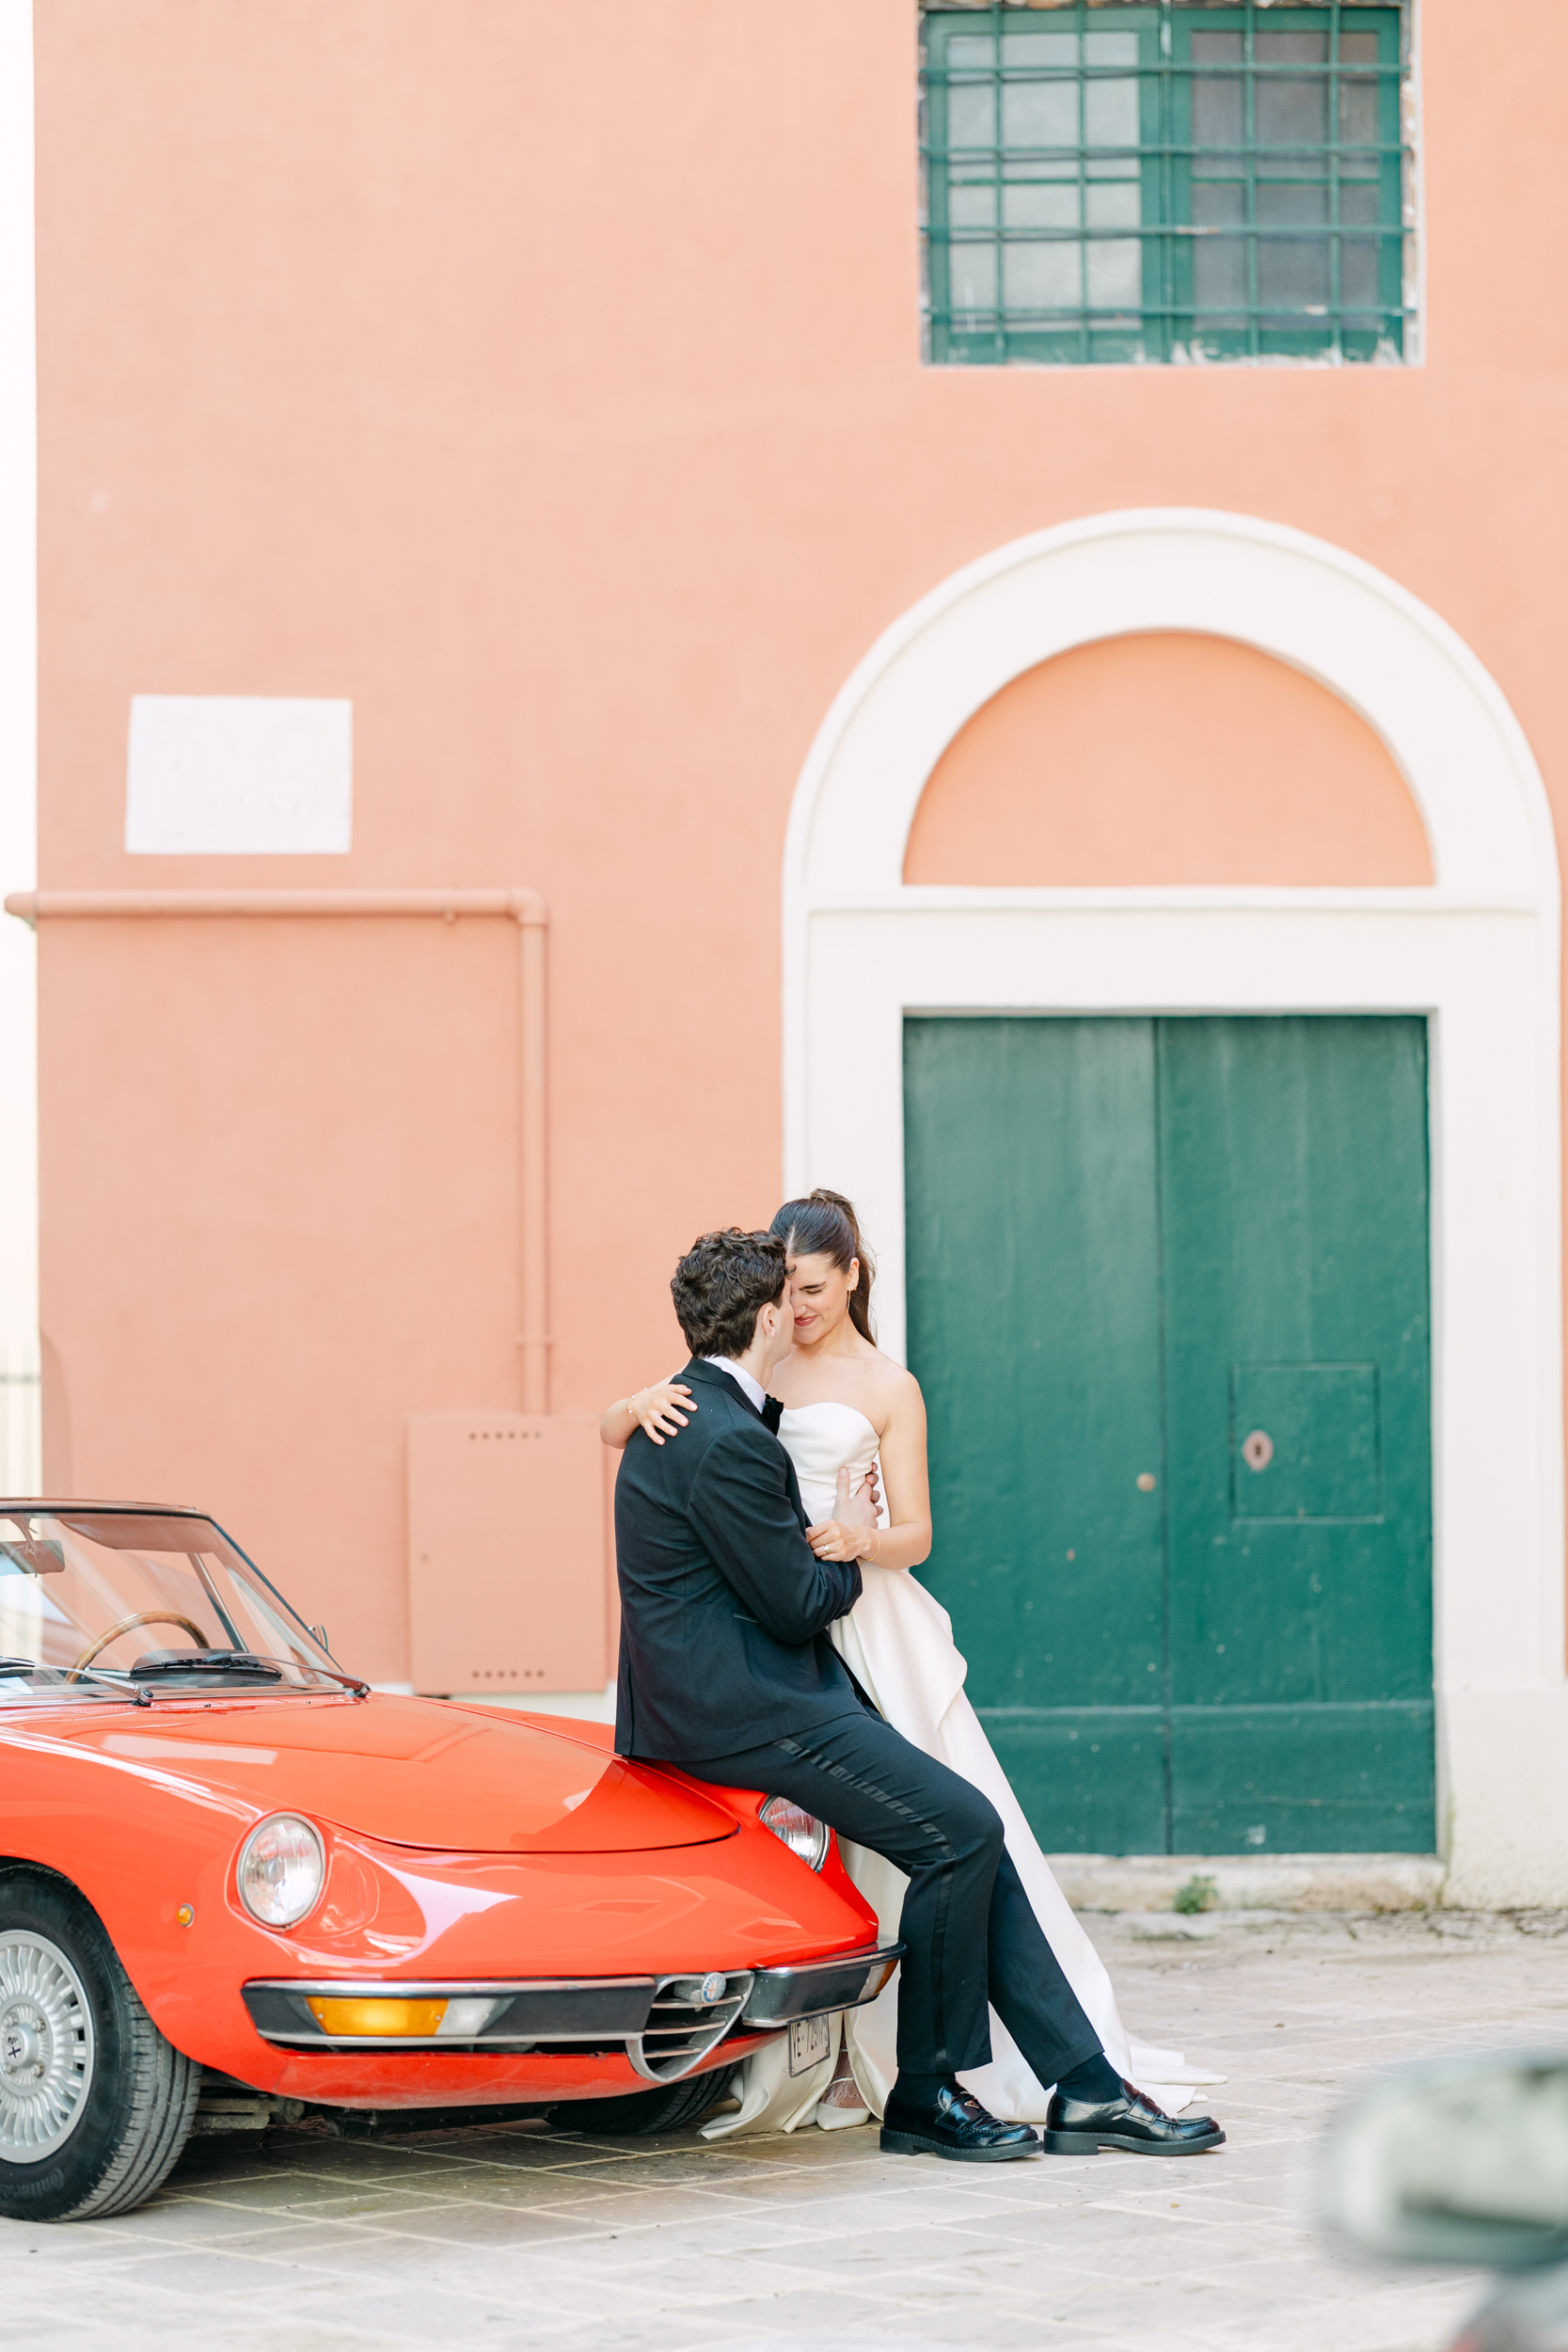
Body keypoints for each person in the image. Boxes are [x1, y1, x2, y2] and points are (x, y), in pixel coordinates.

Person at [608, 1221, 1223, 2162]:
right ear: (767, 1315)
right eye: (790, 1298)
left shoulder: (685, 1409)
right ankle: (927, 2093)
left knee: (971, 1835)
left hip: (752, 1696)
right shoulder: (723, 1435)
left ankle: (1086, 2086)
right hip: (749, 1712)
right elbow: (796, 1603)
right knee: (963, 1829)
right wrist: (850, 1536)